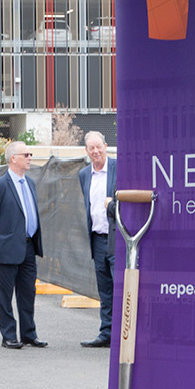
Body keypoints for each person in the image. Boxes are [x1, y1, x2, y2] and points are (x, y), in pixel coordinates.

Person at [0, 141, 46, 349]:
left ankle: (28, 334)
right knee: (5, 295)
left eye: (30, 154)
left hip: (28, 247)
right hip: (7, 248)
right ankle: (9, 335)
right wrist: (0, 239)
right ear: (13, 158)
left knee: (28, 293)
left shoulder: (31, 183)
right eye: (25, 154)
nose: (29, 157)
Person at [78, 131, 116, 348]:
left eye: (98, 147)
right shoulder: (84, 175)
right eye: (91, 148)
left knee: (119, 287)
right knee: (104, 290)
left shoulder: (119, 168)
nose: (95, 151)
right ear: (86, 151)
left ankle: (122, 336)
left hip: (117, 239)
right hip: (97, 240)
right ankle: (106, 333)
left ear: (106, 146)